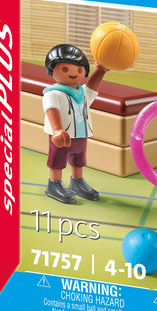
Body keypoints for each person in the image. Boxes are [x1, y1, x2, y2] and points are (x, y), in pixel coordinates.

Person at [42, 44, 108, 204]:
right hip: (62, 135)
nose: (74, 73)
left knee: (79, 159)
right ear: (52, 69)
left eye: (79, 70)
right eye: (65, 69)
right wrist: (57, 129)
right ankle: (54, 183)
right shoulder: (53, 93)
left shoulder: (81, 94)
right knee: (57, 160)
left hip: (81, 133)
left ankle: (77, 181)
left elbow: (91, 89)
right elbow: (52, 110)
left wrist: (100, 71)